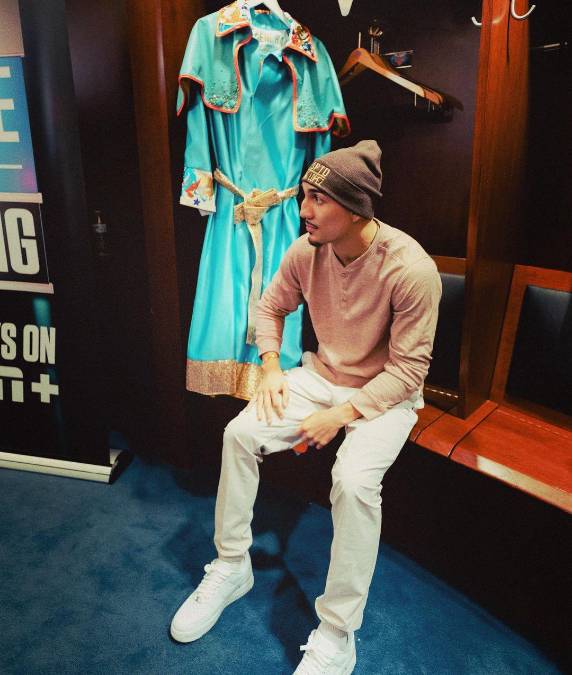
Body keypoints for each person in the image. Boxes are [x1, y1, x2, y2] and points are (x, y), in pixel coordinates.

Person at [170, 140, 442, 674]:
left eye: (318, 199)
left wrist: (341, 416)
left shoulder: (411, 268)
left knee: (354, 483)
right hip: (321, 377)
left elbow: (410, 371)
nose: (303, 210)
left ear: (356, 208)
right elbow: (270, 307)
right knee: (239, 434)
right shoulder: (305, 251)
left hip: (387, 395)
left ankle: (338, 632)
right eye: (305, 196)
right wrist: (272, 366)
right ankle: (231, 564)